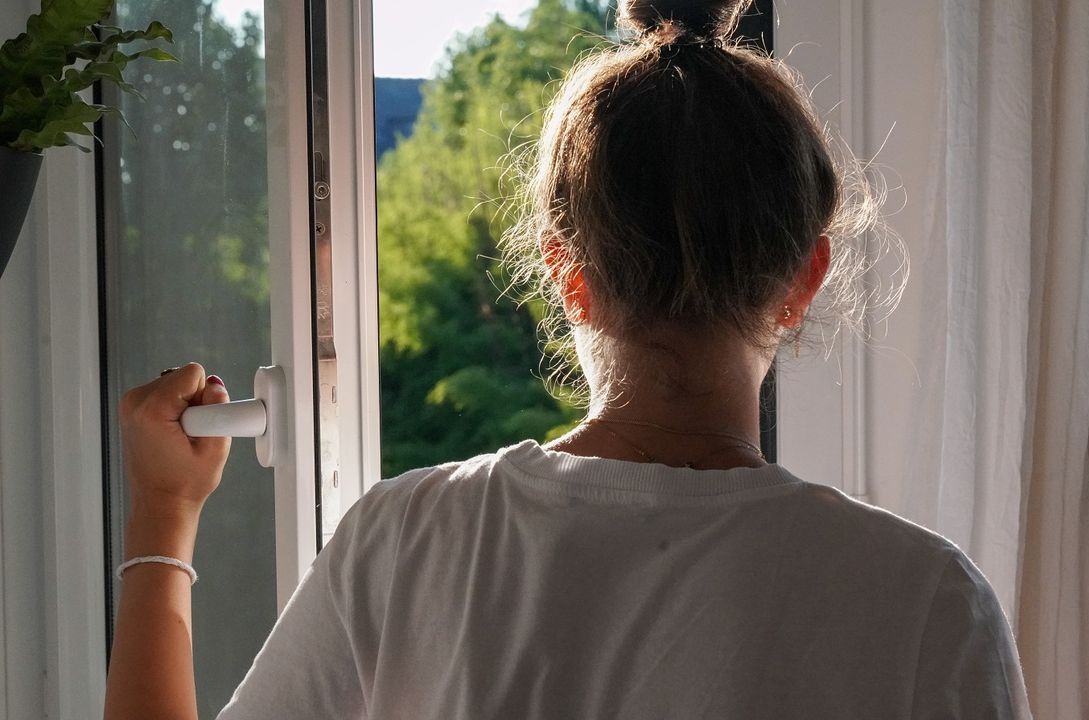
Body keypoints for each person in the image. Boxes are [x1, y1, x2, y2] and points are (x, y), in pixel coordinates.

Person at [104, 0, 1032, 717]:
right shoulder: (927, 603)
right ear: (805, 276)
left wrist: (164, 512)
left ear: (566, 273)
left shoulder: (406, 544)